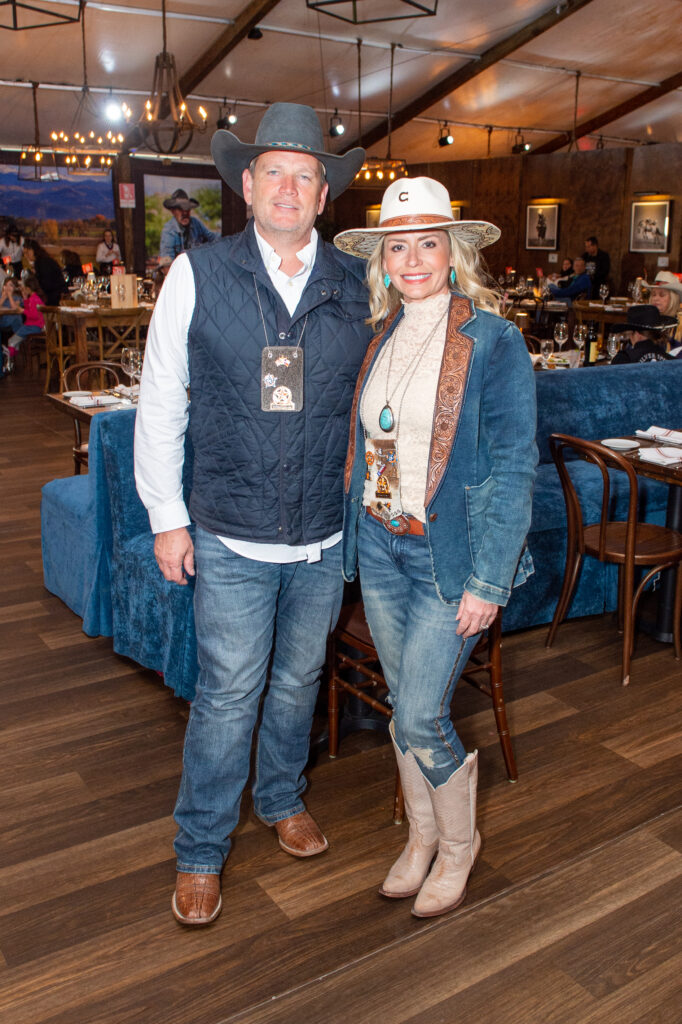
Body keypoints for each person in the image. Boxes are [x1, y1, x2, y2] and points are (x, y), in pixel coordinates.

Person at [134, 102, 368, 927]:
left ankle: (280, 797)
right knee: (230, 693)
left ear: (323, 194)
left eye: (307, 174)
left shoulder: (356, 282)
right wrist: (166, 514)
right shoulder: (196, 273)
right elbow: (160, 400)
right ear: (246, 184)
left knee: (301, 679)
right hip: (228, 528)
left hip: (322, 535)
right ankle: (200, 849)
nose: (290, 186)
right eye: (275, 170)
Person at [334, 177, 537, 918]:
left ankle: (458, 846)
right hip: (382, 548)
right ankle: (421, 838)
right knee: (402, 707)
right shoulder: (383, 335)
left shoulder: (493, 338)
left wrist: (489, 581)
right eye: (398, 245)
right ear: (381, 260)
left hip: (448, 559)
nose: (413, 257)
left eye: (428, 242)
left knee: (422, 714)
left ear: (454, 253)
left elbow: (516, 465)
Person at [158, 189, 218, 265]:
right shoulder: (169, 231)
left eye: (187, 209)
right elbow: (167, 263)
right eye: (180, 209)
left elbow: (213, 237)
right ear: (173, 211)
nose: (185, 212)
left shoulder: (196, 223)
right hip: (178, 272)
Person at [2, 274, 45, 373]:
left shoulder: (34, 299)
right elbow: (29, 308)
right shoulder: (33, 298)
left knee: (12, 341)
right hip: (30, 325)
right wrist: (25, 299)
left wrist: (22, 311)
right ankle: (11, 361)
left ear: (29, 288)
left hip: (32, 326)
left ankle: (9, 363)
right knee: (13, 342)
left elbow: (33, 315)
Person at [611, 304, 675, 364]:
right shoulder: (674, 362)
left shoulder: (623, 359)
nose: (630, 338)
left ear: (637, 334)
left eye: (630, 334)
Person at [23, 239, 67, 306]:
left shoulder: (42, 262)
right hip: (54, 294)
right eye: (24, 253)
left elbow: (46, 284)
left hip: (54, 298)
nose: (26, 256)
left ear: (33, 250)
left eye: (27, 252)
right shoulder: (43, 260)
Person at [646, 270, 682, 345]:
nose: (656, 299)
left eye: (662, 295)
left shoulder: (679, 327)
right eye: (653, 294)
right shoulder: (646, 322)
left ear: (673, 299)